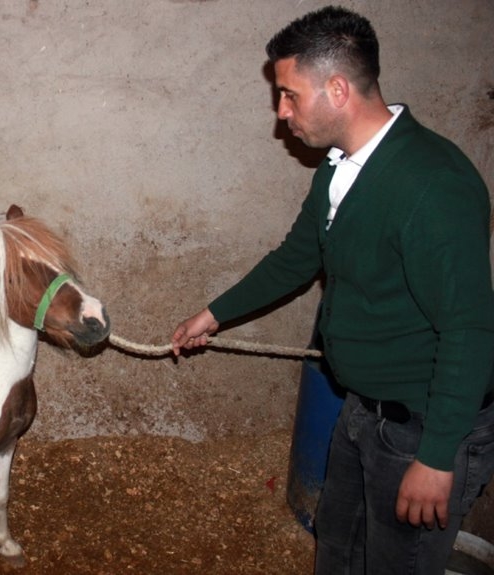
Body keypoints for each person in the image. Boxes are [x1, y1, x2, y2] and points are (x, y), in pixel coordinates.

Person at [170, 6, 494, 574]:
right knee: (338, 545)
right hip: (363, 408)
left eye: (290, 95)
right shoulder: (341, 166)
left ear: (338, 89)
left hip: (423, 422)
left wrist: (437, 456)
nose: (281, 112)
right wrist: (212, 315)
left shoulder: (433, 186)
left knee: (398, 564)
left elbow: (468, 329)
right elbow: (298, 256)